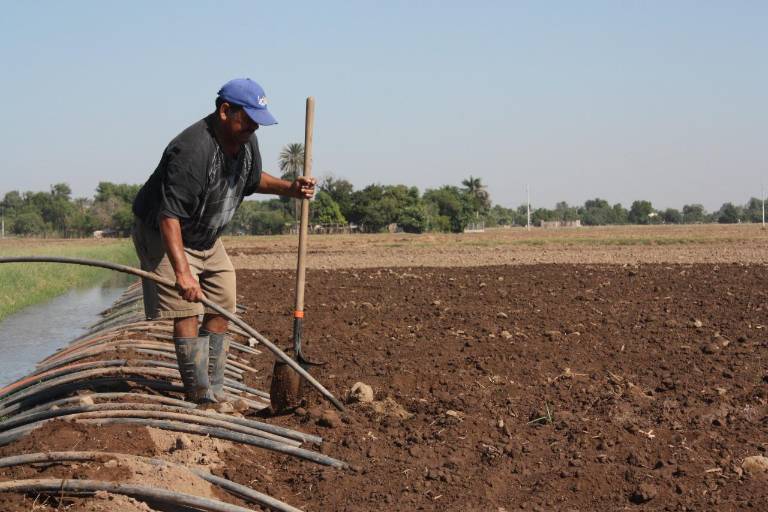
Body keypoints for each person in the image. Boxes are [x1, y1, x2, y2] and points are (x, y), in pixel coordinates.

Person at [131, 78, 315, 405]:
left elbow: (253, 179)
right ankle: (199, 395)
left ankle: (215, 387)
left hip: (206, 236)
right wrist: (184, 274)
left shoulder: (245, 141)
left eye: (259, 121)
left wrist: (290, 188)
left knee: (223, 302)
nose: (254, 128)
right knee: (187, 310)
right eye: (249, 119)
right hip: (165, 234)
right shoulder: (192, 151)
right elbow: (168, 216)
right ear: (225, 110)